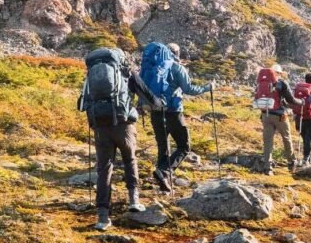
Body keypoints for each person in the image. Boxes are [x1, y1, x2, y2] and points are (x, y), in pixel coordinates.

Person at [79, 47, 158, 231]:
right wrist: (158, 105)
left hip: (99, 125)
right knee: (130, 159)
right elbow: (146, 94)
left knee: (104, 168)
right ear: (121, 59)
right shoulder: (125, 72)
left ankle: (103, 217)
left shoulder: (91, 76)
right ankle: (134, 200)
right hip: (123, 124)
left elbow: (82, 103)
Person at [140, 42, 212, 190]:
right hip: (173, 111)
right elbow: (189, 89)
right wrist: (207, 87)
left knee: (163, 146)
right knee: (184, 146)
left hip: (155, 111)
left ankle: (162, 177)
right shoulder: (177, 68)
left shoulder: (153, 67)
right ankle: (165, 171)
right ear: (177, 53)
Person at [256, 63, 299, 174]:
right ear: (279, 73)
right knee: (286, 137)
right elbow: (291, 100)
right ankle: (291, 163)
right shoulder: (282, 83)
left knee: (268, 141)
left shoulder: (262, 82)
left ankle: (268, 167)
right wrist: (301, 102)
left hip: (265, 114)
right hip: (280, 115)